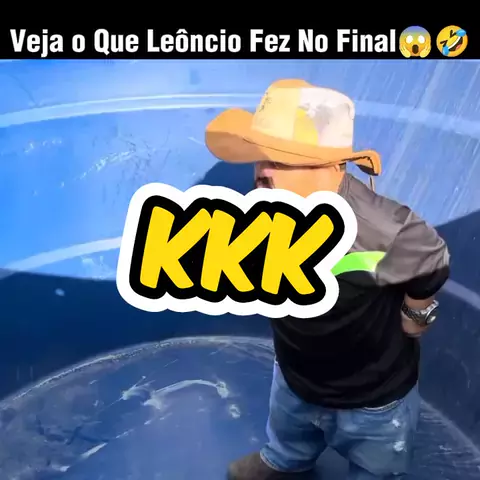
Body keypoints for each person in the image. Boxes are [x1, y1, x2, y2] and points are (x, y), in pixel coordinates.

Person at [204, 79, 450, 479]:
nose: (263, 172)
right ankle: (285, 459)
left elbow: (432, 260)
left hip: (373, 398)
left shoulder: (384, 228)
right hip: (294, 375)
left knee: (376, 466)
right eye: (260, 156)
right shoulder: (265, 207)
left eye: (283, 160)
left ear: (334, 168)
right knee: (289, 428)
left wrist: (416, 314)